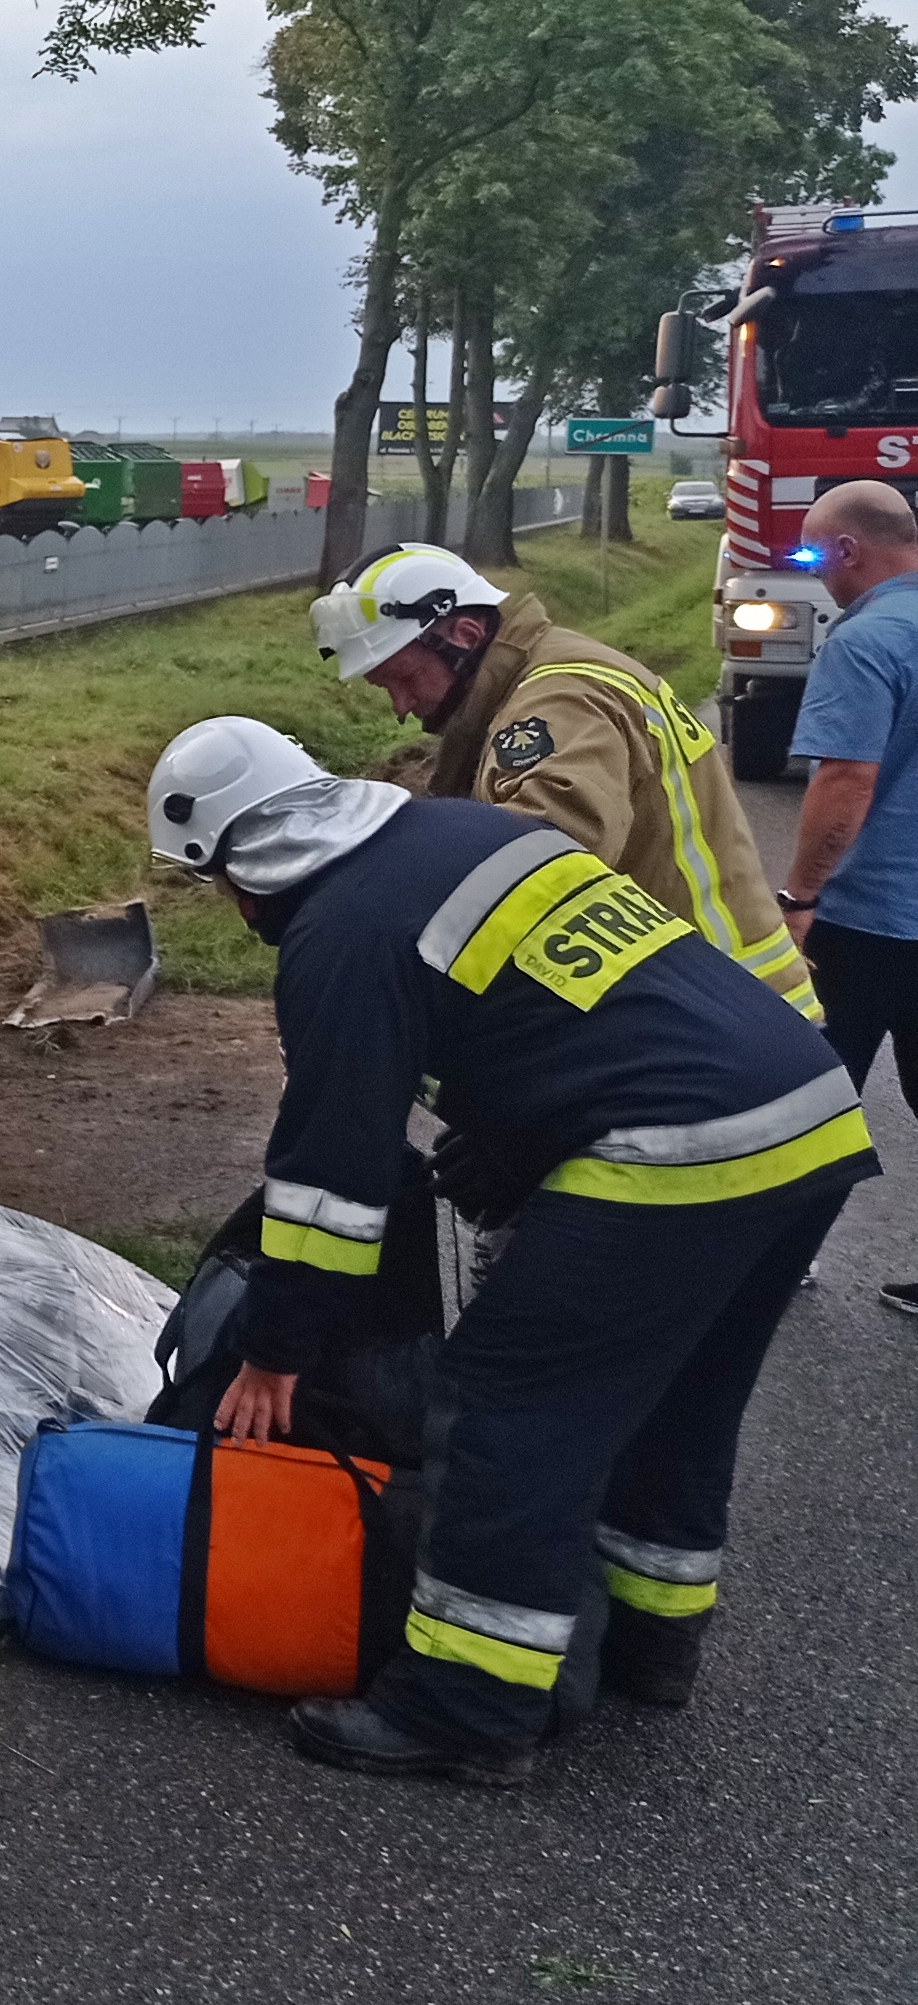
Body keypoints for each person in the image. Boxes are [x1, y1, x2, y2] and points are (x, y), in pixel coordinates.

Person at [148, 713, 873, 1782]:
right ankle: (647, 1644)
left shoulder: (336, 935)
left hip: (673, 1146)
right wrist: (507, 1137)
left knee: (503, 1404)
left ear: (237, 869)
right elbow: (564, 1008)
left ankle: (465, 1705)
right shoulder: (461, 833)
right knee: (681, 1398)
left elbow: (330, 1183)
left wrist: (276, 1352)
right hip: (804, 1110)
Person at [309, 540, 813, 1015]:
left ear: (464, 635)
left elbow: (546, 857)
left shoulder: (557, 701)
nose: (400, 707)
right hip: (722, 995)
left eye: (403, 678)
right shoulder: (558, 667)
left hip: (713, 1009)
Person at [772, 478, 918, 1321]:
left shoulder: (867, 641)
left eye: (812, 554)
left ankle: (780, 1257)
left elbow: (846, 778)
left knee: (817, 1090)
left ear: (848, 552)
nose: (815, 573)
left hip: (872, 918)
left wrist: (800, 896)